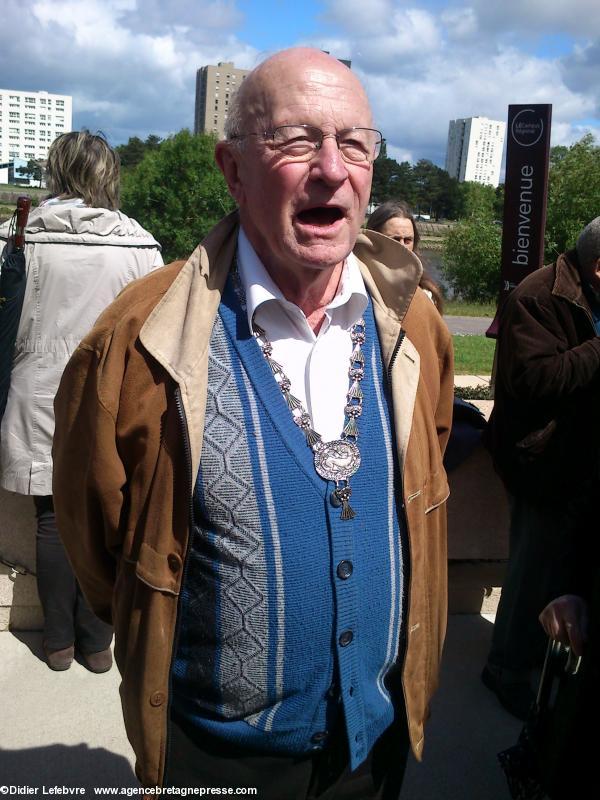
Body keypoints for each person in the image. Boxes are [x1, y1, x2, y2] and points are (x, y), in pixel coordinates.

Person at [52, 49, 453, 797]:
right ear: (233, 170)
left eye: (355, 143)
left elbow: (425, 473)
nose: (333, 168)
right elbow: (98, 540)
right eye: (297, 140)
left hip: (377, 743)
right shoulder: (135, 339)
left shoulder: (416, 324)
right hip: (215, 756)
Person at [0, 131, 163, 673]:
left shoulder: (17, 238)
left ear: (56, 172)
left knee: (51, 519)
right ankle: (98, 643)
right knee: (109, 518)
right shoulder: (140, 248)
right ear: (109, 175)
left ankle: (58, 642)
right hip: (108, 398)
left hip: (36, 394)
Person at [482, 216, 600, 720]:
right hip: (540, 458)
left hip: (578, 454)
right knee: (533, 567)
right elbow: (535, 380)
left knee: (560, 565)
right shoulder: (538, 296)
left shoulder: (586, 289)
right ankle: (505, 670)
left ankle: (539, 659)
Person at [366, 200, 444, 311]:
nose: (402, 246)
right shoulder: (355, 283)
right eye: (395, 239)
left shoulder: (426, 294)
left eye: (407, 240)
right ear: (373, 239)